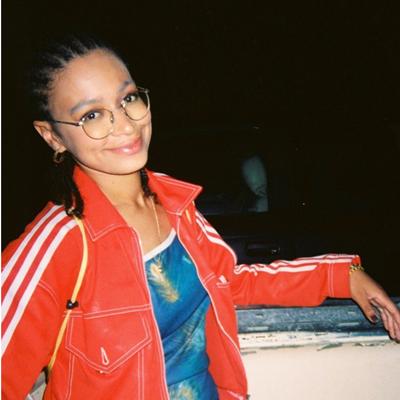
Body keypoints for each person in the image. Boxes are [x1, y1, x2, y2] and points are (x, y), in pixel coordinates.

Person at [1, 35, 399, 400]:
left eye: (128, 99)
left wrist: (339, 274)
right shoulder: (57, 244)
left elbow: (231, 282)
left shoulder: (176, 206)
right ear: (52, 136)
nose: (124, 124)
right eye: (92, 115)